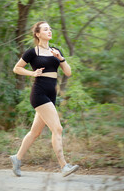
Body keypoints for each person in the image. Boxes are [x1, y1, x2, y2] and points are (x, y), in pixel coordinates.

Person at [10, 21, 79, 177]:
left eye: (50, 28)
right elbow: (17, 68)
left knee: (35, 132)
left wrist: (60, 58)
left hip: (51, 95)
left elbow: (68, 73)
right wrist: (32, 73)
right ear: (37, 34)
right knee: (58, 129)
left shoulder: (56, 51)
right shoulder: (32, 52)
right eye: (46, 29)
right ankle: (64, 166)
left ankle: (17, 158)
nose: (49, 31)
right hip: (39, 93)